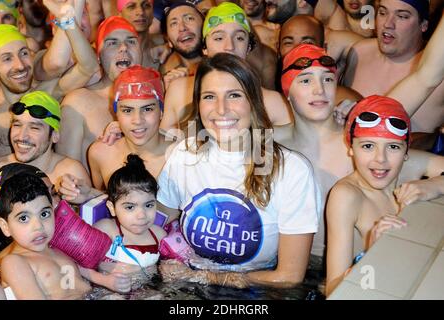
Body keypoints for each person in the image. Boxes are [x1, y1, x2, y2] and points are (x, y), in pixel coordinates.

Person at [279, 14, 444, 260]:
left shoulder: (365, 138)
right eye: (305, 80)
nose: (319, 90)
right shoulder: (268, 143)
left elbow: (427, 76)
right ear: (287, 91)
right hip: (292, 272)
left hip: (354, 270)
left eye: (327, 79)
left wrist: (435, 184)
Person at [157, 53, 319, 289]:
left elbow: (289, 277)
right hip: (189, 284)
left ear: (254, 102)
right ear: (198, 104)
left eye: (234, 95)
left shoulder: (291, 170)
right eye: (209, 97)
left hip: (258, 290)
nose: (221, 110)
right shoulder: (184, 154)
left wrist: (208, 278)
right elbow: (155, 221)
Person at [325, 95, 444, 296]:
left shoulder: (410, 166)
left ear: (406, 150)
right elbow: (332, 290)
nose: (381, 159)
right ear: (350, 147)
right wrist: (371, 254)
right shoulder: (347, 197)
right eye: (368, 146)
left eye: (393, 147)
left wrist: (436, 184)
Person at [162, 2, 293, 138]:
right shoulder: (178, 91)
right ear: (204, 47)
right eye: (219, 38)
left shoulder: (274, 103)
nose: (229, 46)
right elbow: (163, 149)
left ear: (249, 47)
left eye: (239, 38)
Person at [342, 0, 444, 134]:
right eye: (382, 13)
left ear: (423, 25)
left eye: (402, 16)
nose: (388, 24)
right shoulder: (359, 52)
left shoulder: (438, 77)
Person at [56, 16, 142, 168]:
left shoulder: (157, 96)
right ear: (98, 55)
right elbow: (67, 175)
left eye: (131, 41)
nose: (123, 47)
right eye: (112, 43)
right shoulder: (77, 103)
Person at [0, 173, 92, 299]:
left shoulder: (58, 252)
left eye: (44, 214)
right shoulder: (14, 262)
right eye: (24, 218)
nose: (38, 226)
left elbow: (83, 288)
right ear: (5, 227)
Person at [88, 65, 173, 190]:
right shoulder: (100, 154)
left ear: (161, 111)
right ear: (116, 113)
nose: (137, 120)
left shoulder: (180, 157)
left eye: (147, 109)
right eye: (127, 110)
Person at [0, 91, 90, 186]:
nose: (21, 136)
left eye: (34, 128)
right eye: (17, 125)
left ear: (54, 136)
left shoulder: (71, 175)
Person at [0, 24, 62, 158]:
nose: (19, 65)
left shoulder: (49, 92)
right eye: (7, 58)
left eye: (24, 53)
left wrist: (67, 18)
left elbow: (88, 67)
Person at [94, 154, 167, 277]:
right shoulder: (106, 229)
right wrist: (104, 268)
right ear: (112, 208)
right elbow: (82, 262)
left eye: (148, 205)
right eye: (130, 207)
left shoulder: (159, 236)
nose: (141, 215)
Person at [159, 1, 204, 88]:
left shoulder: (225, 67)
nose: (182, 28)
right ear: (168, 40)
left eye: (189, 18)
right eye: (174, 23)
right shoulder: (165, 80)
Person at [117, 0, 164, 69]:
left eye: (146, 5)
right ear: (120, 15)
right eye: (131, 6)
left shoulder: (167, 45)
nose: (141, 12)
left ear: (152, 13)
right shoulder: (107, 52)